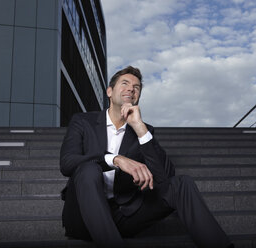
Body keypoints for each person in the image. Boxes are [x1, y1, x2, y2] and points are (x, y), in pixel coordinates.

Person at [60, 66, 233, 248]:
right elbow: (67, 163)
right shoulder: (83, 121)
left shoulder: (143, 130)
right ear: (109, 91)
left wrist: (140, 128)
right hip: (83, 217)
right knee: (89, 168)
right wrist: (116, 159)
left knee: (181, 184)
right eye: (125, 84)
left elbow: (164, 178)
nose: (131, 89)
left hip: (123, 215)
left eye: (136, 87)